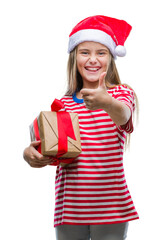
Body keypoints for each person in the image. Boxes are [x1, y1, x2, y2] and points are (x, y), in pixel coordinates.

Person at [23, 15, 139, 240]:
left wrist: (106, 102)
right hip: (70, 208)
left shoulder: (121, 94)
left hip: (112, 206)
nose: (93, 59)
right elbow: (50, 147)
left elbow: (123, 115)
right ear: (75, 58)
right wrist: (30, 154)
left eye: (101, 52)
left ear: (111, 59)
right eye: (85, 52)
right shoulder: (62, 104)